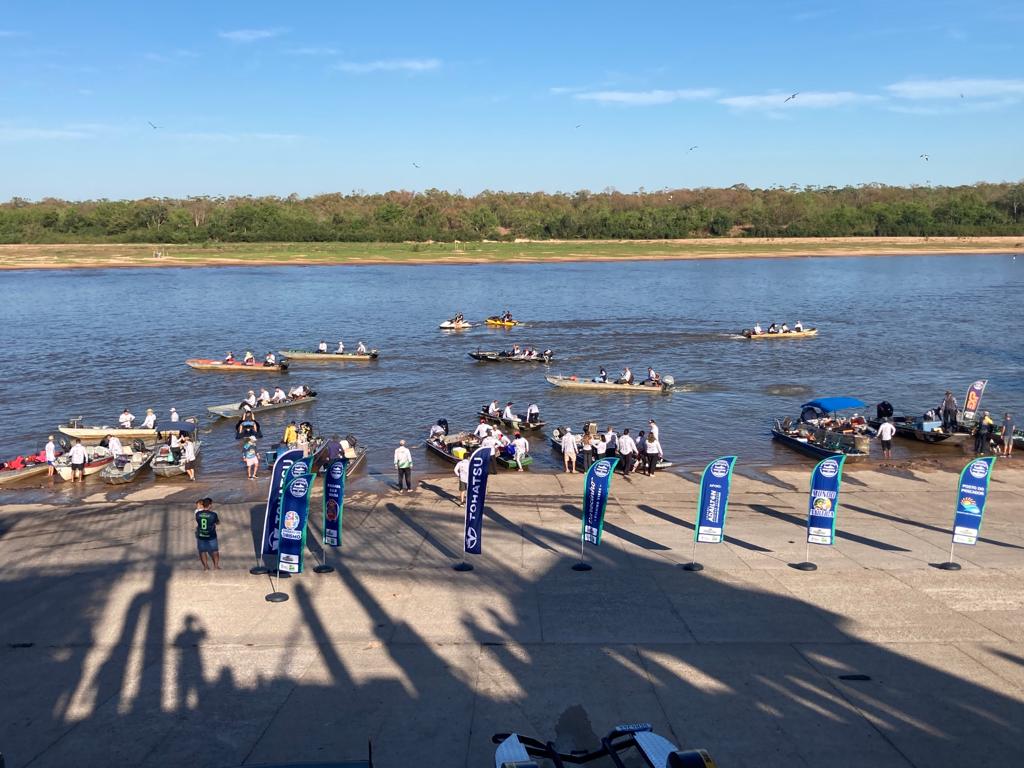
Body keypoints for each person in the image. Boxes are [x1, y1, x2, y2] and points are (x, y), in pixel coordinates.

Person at [195, 497, 220, 571]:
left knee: (203, 551)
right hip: (211, 535)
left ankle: (206, 567)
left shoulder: (198, 514)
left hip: (201, 535)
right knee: (215, 551)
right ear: (209, 505)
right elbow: (217, 522)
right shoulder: (213, 514)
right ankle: (216, 566)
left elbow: (198, 521)